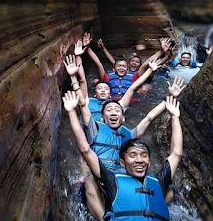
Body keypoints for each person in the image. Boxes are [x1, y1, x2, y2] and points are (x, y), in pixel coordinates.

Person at [63, 93, 182, 221]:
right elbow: (85, 149)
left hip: (119, 175)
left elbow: (176, 153)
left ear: (149, 162)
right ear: (123, 162)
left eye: (144, 155)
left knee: (168, 192)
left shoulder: (156, 181)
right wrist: (71, 111)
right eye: (133, 155)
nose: (139, 160)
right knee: (90, 182)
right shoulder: (113, 181)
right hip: (104, 175)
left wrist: (174, 115)